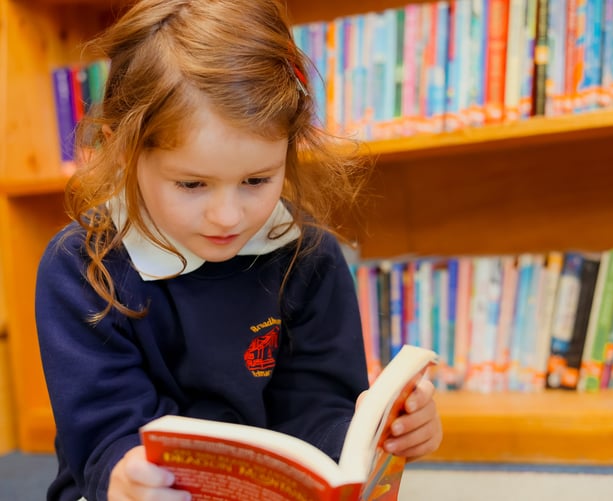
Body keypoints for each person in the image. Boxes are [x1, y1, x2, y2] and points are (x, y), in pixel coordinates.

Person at [35, 0, 442, 499]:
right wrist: (127, 478)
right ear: (121, 149)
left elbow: (320, 410)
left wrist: (388, 435)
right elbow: (102, 435)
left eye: (256, 179)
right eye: (192, 184)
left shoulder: (306, 254)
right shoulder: (82, 265)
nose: (228, 216)